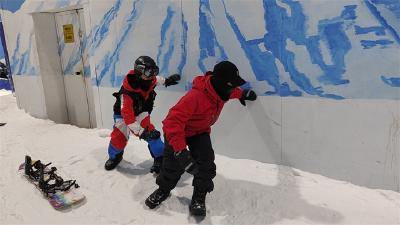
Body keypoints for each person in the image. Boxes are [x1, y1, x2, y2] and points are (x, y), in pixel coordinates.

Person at [145, 61, 257, 216]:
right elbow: (171, 122)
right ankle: (163, 189)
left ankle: (199, 196)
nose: (232, 89)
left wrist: (243, 94)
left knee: (206, 162)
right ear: (221, 84)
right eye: (231, 86)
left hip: (199, 132)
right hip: (177, 132)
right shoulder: (196, 96)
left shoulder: (222, 91)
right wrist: (180, 151)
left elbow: (232, 92)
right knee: (173, 164)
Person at [105, 56, 181, 173]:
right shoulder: (127, 93)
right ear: (139, 72)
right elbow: (128, 118)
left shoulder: (149, 80)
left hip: (140, 111)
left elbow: (157, 80)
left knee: (152, 133)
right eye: (149, 72)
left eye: (154, 71)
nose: (152, 75)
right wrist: (142, 133)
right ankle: (115, 156)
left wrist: (168, 81)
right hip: (123, 114)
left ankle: (160, 158)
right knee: (119, 137)